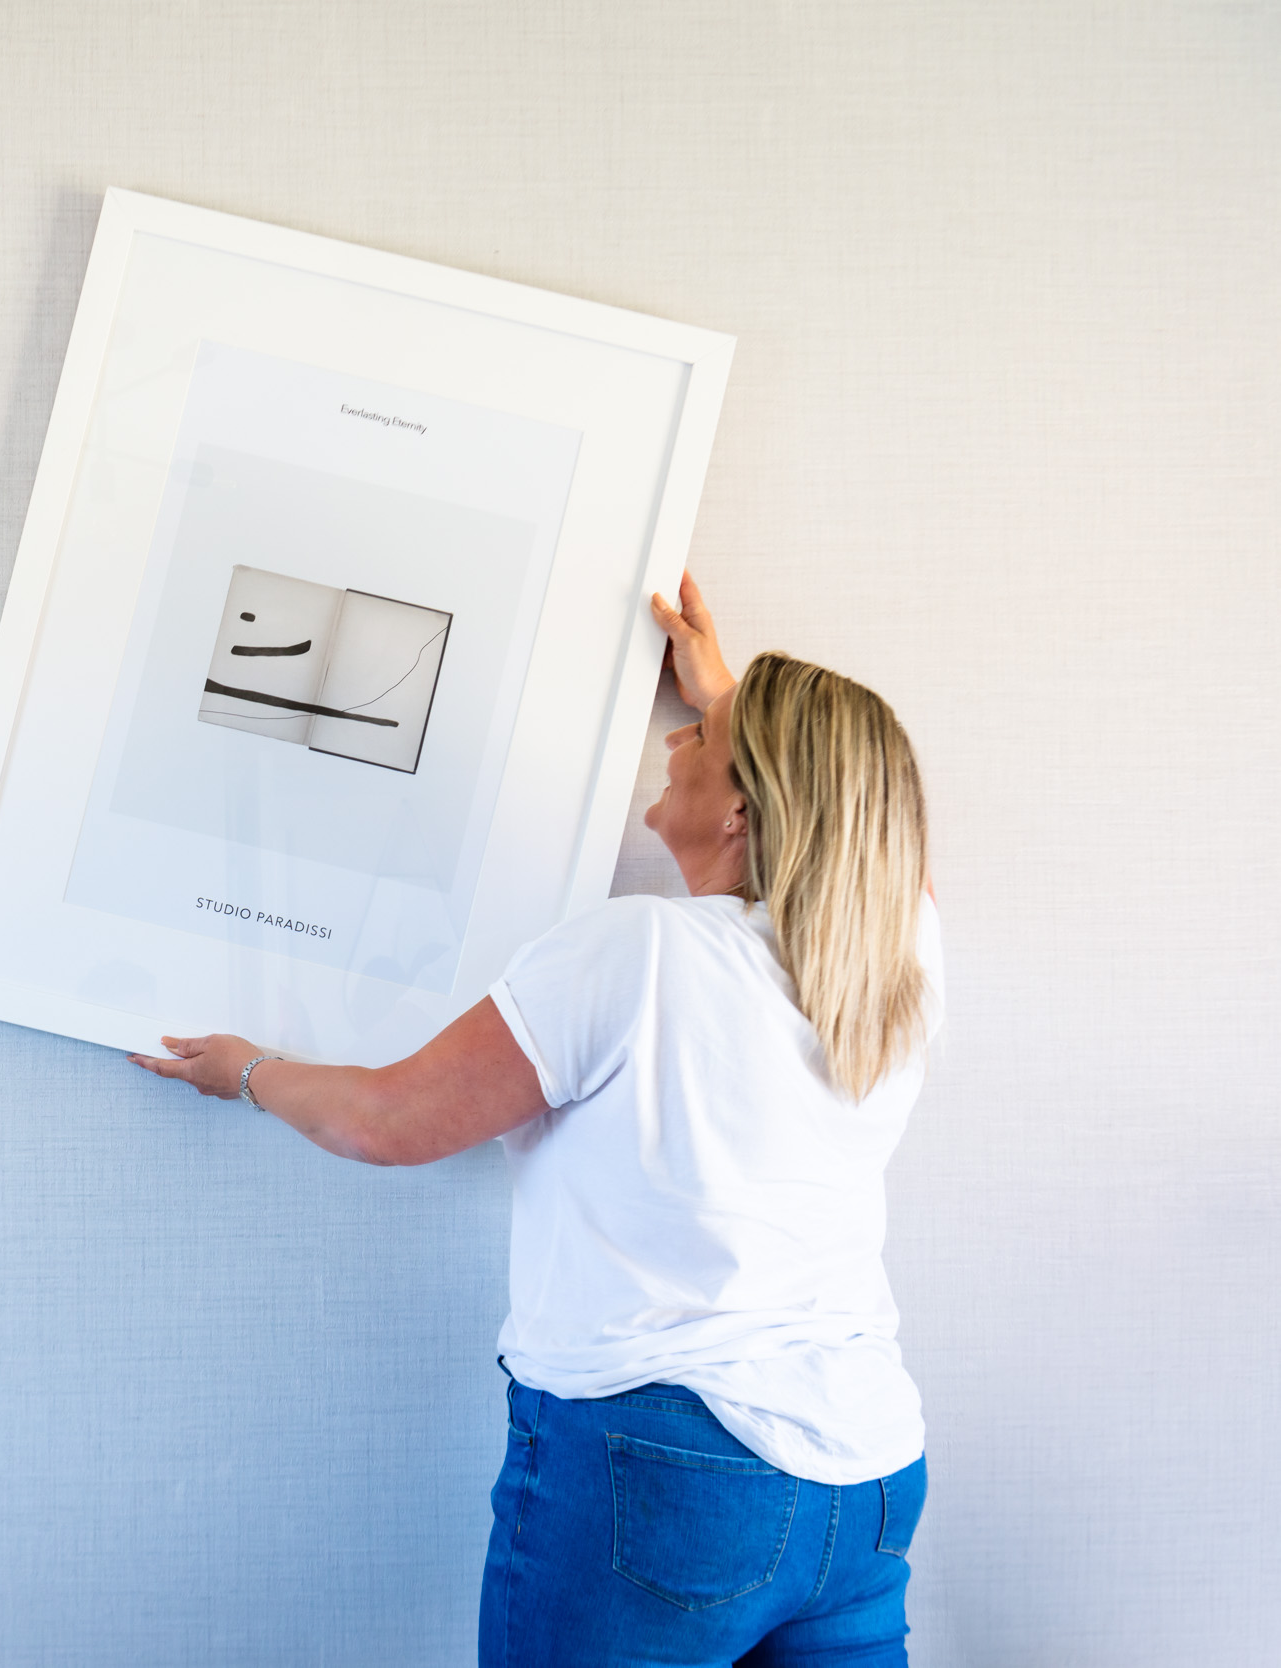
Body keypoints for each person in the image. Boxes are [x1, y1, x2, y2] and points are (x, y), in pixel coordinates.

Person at [132, 575, 941, 1667]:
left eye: (702, 733)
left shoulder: (641, 953)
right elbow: (867, 837)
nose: (675, 741)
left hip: (666, 1471)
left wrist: (245, 1068)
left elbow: (386, 1121)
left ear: (743, 808)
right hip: (868, 1476)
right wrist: (727, 690)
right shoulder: (903, 958)